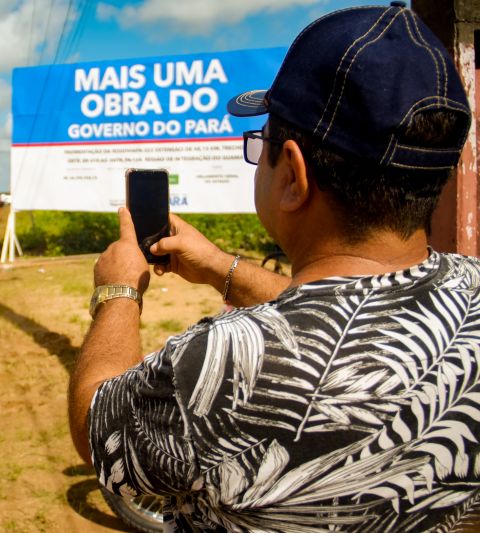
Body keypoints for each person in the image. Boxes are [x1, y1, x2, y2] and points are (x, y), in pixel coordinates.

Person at [68, 3, 480, 531]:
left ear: (293, 175)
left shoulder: (222, 365)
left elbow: (95, 426)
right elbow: (343, 317)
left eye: (260, 143)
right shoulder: (467, 292)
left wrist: (118, 292)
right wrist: (221, 267)